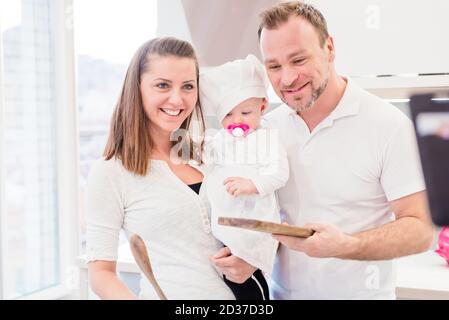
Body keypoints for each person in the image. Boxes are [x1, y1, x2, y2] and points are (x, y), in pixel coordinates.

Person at [257, 1, 434, 299]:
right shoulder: (265, 130)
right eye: (274, 66)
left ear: (329, 48)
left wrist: (347, 245)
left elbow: (421, 229)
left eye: (298, 60)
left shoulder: (388, 125)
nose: (286, 79)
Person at [85, 37, 255, 300]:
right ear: (137, 89)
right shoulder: (111, 172)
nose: (177, 99)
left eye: (188, 86)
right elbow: (101, 273)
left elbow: (256, 223)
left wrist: (253, 260)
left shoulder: (211, 154)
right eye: (162, 85)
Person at [199, 54, 289, 299]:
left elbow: (280, 173)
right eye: (227, 116)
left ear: (262, 107)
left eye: (245, 112)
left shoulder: (267, 138)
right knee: (228, 273)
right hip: (224, 219)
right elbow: (208, 160)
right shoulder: (221, 138)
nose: (236, 121)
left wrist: (253, 184)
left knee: (249, 279)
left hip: (253, 216)